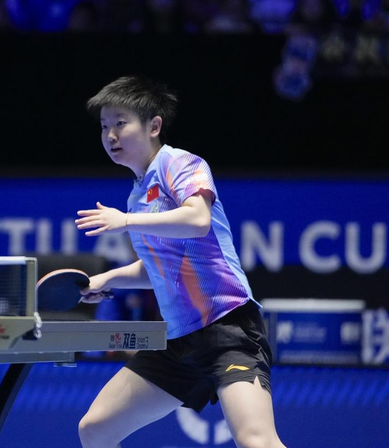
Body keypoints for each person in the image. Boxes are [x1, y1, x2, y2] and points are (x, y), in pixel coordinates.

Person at [74, 75, 286, 448]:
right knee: (95, 429)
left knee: (257, 441)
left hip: (228, 329)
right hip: (178, 341)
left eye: (121, 123)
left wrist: (126, 222)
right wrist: (106, 280)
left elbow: (198, 219)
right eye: (105, 126)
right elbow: (160, 268)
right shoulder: (138, 195)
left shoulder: (180, 164)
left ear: (153, 126)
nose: (110, 135)